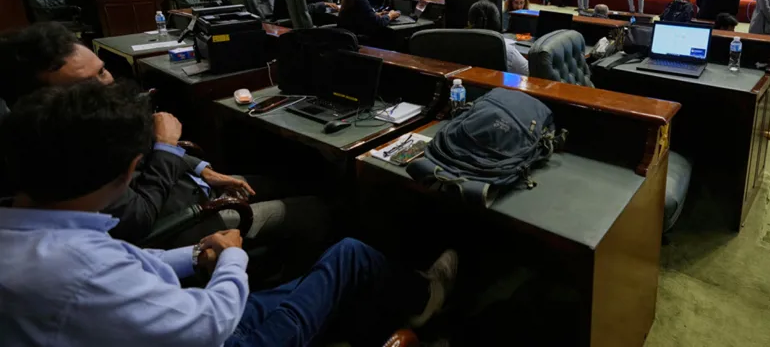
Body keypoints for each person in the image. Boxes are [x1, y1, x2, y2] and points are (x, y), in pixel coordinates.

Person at [0, 81, 457, 347]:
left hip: (174, 311)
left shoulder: (27, 235)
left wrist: (194, 255)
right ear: (130, 170)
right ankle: (425, 299)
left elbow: (123, 263)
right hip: (223, 335)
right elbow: (209, 324)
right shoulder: (79, 272)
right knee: (349, 254)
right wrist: (234, 257)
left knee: (314, 282)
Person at [0, 23, 329, 250]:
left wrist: (201, 168)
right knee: (315, 209)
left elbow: (151, 151)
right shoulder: (60, 159)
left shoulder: (91, 119)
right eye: (85, 84)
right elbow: (138, 220)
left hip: (192, 185)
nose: (107, 85)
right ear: (41, 103)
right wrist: (166, 147)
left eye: (102, 70)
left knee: (287, 180)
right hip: (185, 221)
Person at [467, 0, 529, 76]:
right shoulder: (507, 50)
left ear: (469, 22)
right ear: (497, 22)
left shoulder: (458, 42)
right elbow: (530, 72)